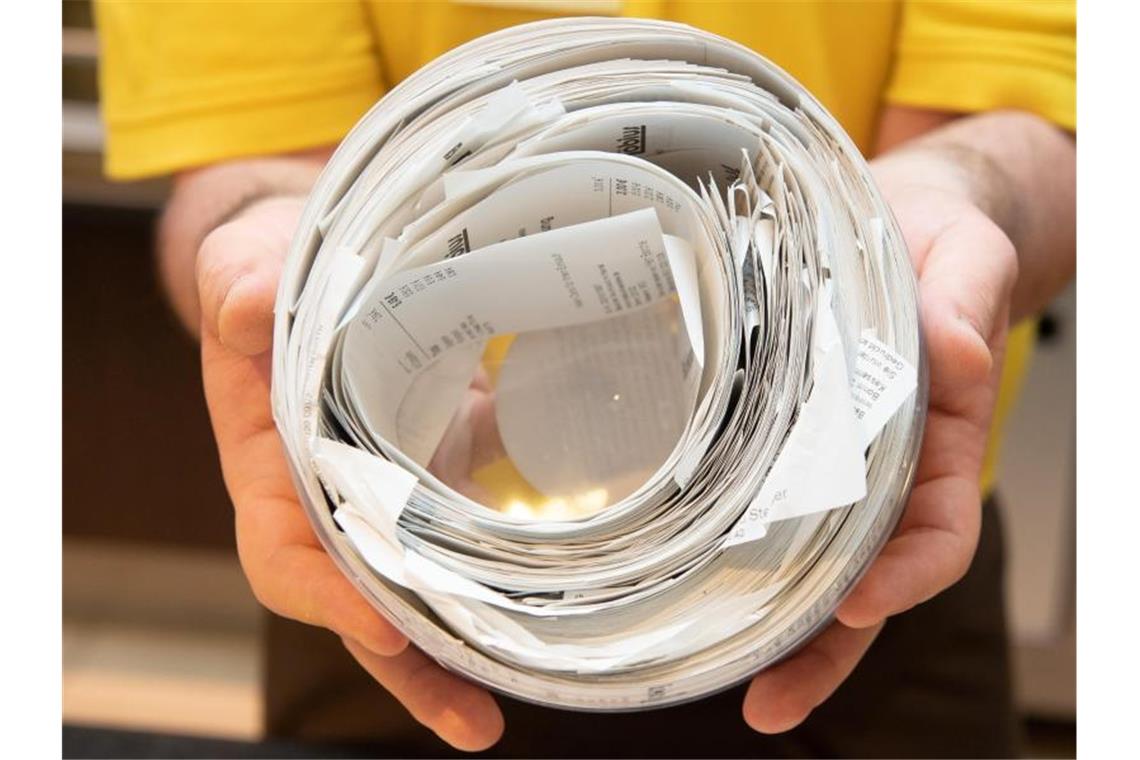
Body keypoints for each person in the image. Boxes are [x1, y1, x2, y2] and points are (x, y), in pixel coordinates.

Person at [94, 1, 1075, 756]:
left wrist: (957, 191)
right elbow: (249, 162)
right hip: (408, 580)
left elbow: (1041, 116)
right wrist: (273, 259)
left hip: (864, 542)